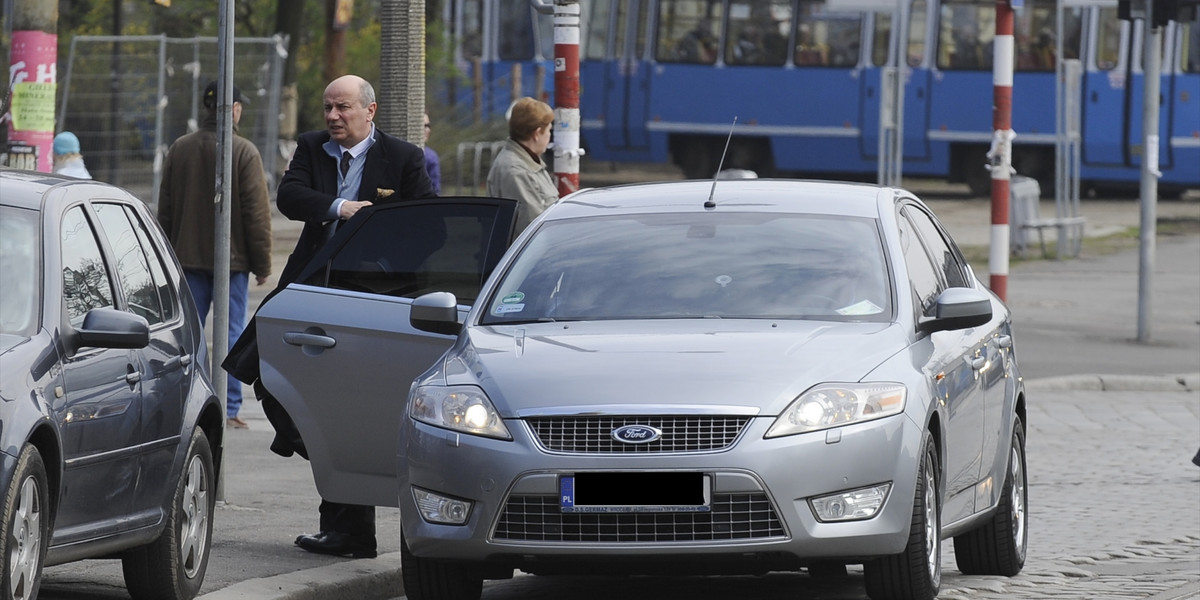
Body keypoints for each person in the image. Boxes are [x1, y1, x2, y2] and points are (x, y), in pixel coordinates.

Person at [224, 74, 435, 560]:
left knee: (348, 405)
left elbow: (429, 225)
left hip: (369, 303)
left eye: (343, 108)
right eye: (327, 108)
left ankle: (349, 530)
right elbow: (291, 197)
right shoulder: (312, 148)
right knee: (262, 376)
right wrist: (342, 208)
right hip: (307, 292)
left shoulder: (402, 159)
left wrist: (382, 242)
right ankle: (311, 448)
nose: (334, 117)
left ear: (370, 111)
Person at [158, 81, 272, 430]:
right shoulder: (244, 151)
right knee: (232, 332)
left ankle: (185, 402)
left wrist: (162, 253)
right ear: (234, 109)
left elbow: (166, 208)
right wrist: (262, 262)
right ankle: (228, 405)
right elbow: (256, 214)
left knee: (186, 334)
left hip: (185, 260)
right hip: (232, 264)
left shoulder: (180, 148)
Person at [486, 97, 558, 233]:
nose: (549, 136)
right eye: (548, 130)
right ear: (537, 134)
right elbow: (532, 228)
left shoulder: (527, 162)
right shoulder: (516, 171)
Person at [423, 112, 441, 194]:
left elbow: (435, 189)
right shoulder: (430, 156)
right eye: (424, 126)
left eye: (428, 126)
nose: (428, 130)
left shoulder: (431, 157)